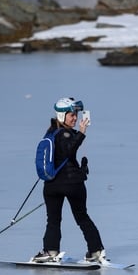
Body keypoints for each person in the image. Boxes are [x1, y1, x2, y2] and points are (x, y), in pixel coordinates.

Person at [32, 97, 106, 263]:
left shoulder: (52, 133)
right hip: (71, 184)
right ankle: (95, 251)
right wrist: (81, 132)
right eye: (71, 114)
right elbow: (68, 150)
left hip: (53, 185)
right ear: (61, 116)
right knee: (81, 217)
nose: (75, 118)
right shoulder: (64, 134)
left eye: (76, 114)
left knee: (53, 220)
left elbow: (65, 152)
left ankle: (50, 251)